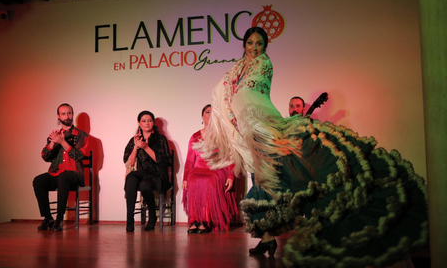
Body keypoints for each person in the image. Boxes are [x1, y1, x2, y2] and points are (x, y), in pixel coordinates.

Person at [194, 27, 428, 267]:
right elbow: (223, 91)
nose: (254, 48)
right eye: (250, 43)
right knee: (262, 182)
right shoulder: (238, 67)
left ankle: (327, 224)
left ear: (265, 47)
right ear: (244, 44)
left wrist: (255, 128)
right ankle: (267, 238)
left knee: (287, 178)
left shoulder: (264, 64)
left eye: (260, 44)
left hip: (261, 126)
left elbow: (249, 94)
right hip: (249, 133)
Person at [182, 104, 238, 233]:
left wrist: (231, 176)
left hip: (216, 168)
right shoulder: (195, 136)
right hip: (198, 168)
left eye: (213, 113)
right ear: (202, 116)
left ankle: (206, 221)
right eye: (207, 112)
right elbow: (190, 160)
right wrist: (185, 178)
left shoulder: (223, 134)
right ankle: (195, 220)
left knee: (209, 180)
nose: (210, 115)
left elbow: (230, 156)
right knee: (194, 179)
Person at [33, 103, 89, 232]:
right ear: (58, 116)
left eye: (69, 113)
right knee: (38, 180)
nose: (67, 116)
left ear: (72, 114)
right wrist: (53, 142)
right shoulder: (54, 135)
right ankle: (48, 218)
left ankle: (59, 219)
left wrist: (63, 142)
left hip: (74, 174)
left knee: (63, 177)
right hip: (56, 173)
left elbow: (79, 156)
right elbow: (45, 157)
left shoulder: (82, 135)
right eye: (63, 113)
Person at [123, 110, 171, 232]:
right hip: (141, 173)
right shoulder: (135, 139)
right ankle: (130, 219)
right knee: (131, 178)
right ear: (139, 123)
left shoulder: (160, 139)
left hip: (157, 174)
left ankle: (152, 216)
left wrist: (146, 147)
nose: (147, 123)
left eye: (149, 121)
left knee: (144, 185)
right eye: (143, 121)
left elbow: (163, 162)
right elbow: (130, 163)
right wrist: (136, 146)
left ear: (153, 123)